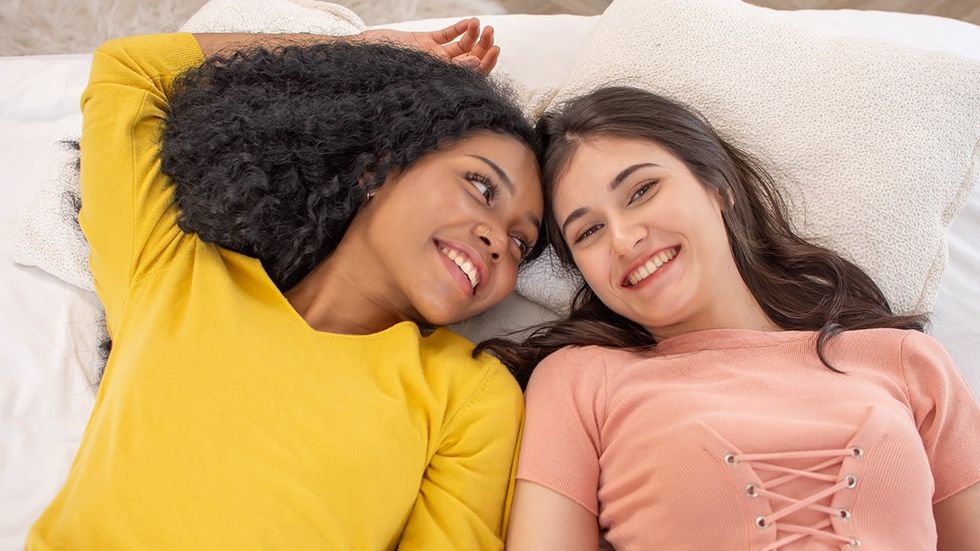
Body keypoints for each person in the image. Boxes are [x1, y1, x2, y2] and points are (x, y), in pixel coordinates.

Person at [27, 20, 544, 550]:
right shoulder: (175, 271)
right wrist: (364, 57)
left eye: (522, 243)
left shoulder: (471, 395)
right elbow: (130, 71)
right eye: (481, 187)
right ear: (378, 168)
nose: (498, 239)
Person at [491, 87, 980, 550]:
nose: (622, 239)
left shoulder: (907, 362)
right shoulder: (579, 382)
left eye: (641, 191)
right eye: (590, 230)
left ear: (716, 186)